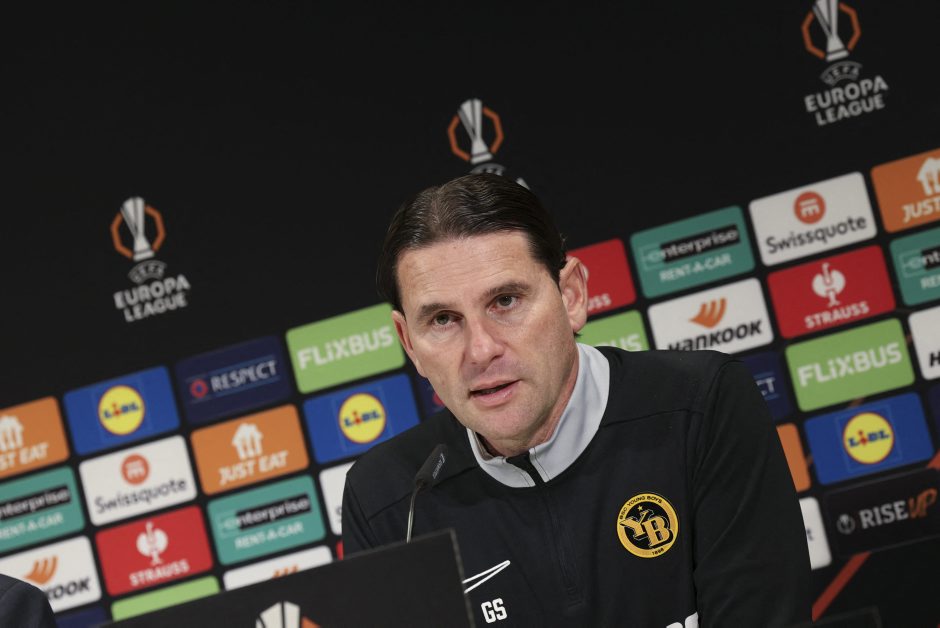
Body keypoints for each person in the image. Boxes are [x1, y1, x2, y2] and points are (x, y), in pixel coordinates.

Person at [342, 173, 811, 627]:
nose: (481, 351)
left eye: (505, 301)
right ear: (409, 342)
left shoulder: (701, 406)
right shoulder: (389, 499)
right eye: (443, 319)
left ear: (571, 296)